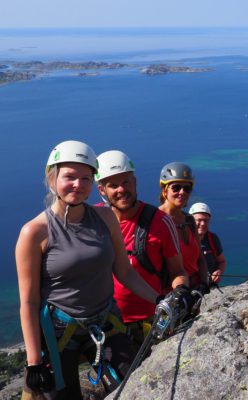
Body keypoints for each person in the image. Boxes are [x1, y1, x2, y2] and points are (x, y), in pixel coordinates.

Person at [15, 141, 171, 399]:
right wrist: (33, 361)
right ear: (52, 178)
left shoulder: (105, 218)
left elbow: (125, 272)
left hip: (105, 322)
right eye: (70, 177)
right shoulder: (34, 232)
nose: (78, 184)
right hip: (58, 332)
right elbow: (29, 302)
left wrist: (159, 300)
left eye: (86, 178)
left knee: (134, 389)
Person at [96, 150, 190, 345]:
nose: (122, 189)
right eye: (113, 185)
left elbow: (178, 271)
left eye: (126, 182)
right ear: (102, 190)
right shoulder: (93, 220)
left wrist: (180, 292)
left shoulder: (160, 222)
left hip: (149, 321)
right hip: (106, 322)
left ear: (135, 182)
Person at [158, 162, 209, 293]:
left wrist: (204, 284)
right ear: (164, 190)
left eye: (187, 188)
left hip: (195, 290)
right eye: (176, 187)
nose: (182, 192)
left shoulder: (189, 220)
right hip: (171, 293)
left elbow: (200, 259)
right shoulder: (156, 221)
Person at [189, 202, 227, 284]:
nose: (203, 224)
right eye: (199, 220)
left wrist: (218, 272)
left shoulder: (212, 239)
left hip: (209, 286)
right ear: (190, 221)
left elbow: (222, 261)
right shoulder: (182, 239)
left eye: (205, 220)